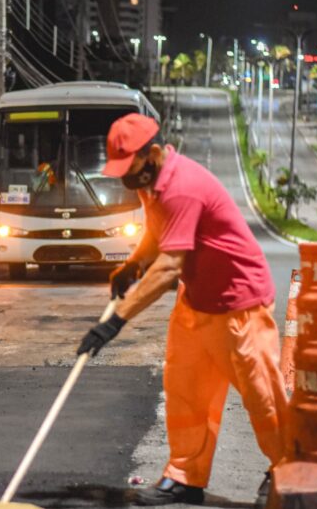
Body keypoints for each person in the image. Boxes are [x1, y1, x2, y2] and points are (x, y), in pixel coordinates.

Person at [76, 114, 287, 507]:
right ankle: (185, 475)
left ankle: (287, 470)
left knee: (262, 396)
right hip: (196, 303)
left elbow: (170, 265)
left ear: (153, 154)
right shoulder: (149, 184)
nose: (126, 178)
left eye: (130, 167)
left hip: (240, 303)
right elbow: (159, 232)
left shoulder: (183, 187)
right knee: (184, 390)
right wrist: (133, 265)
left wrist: (115, 321)